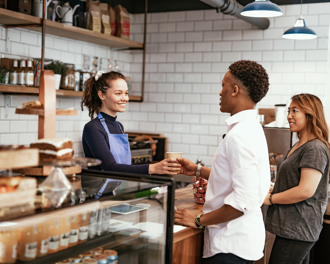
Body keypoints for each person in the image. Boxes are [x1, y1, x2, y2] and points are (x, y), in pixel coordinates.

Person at [174, 60, 270, 264]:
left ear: (235, 90)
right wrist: (198, 170)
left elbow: (244, 200)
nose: (220, 92)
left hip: (229, 246)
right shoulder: (251, 127)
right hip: (241, 242)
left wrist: (199, 220)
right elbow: (234, 176)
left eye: (223, 85)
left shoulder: (240, 135)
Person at [80, 71, 180, 197]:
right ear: (102, 95)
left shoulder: (119, 126)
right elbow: (110, 167)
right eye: (118, 93)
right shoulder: (93, 128)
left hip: (117, 195)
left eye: (126, 93)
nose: (125, 98)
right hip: (98, 198)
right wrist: (153, 168)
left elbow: (124, 166)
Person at [264, 93, 330, 264]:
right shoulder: (300, 145)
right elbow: (295, 181)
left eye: (295, 111)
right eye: (288, 110)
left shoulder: (315, 148)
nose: (289, 116)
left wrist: (271, 198)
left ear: (310, 113)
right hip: (292, 227)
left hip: (298, 228)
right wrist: (275, 188)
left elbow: (305, 190)